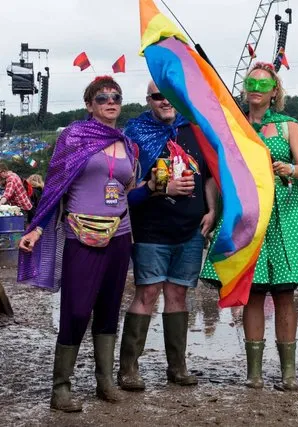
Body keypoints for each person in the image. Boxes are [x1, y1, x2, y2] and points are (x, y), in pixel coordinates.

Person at [200, 62, 298, 391]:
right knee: (253, 296)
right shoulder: (233, 125)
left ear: (275, 92)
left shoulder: (289, 126)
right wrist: (214, 210)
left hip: (284, 216)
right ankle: (254, 373)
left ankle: (288, 373)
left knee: (285, 296)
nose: (256, 89)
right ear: (245, 89)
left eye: (263, 84)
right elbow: (218, 172)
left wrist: (288, 167)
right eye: (250, 83)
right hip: (246, 216)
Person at [17, 76, 135, 412]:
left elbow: (127, 188)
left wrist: (161, 188)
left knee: (111, 307)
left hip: (120, 234)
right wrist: (37, 229)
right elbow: (55, 186)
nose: (110, 102)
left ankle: (105, 382)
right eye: (102, 98)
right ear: (89, 105)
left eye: (116, 97)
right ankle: (61, 388)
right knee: (77, 308)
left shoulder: (126, 143)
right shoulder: (74, 137)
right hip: (81, 235)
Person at [116, 81, 216, 391]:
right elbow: (126, 188)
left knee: (178, 295)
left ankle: (177, 367)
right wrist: (162, 188)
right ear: (148, 100)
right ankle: (129, 369)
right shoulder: (135, 134)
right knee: (147, 294)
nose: (165, 101)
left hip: (190, 230)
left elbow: (211, 176)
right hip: (151, 230)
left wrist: (211, 211)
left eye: (170, 95)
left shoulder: (195, 129)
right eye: (158, 96)